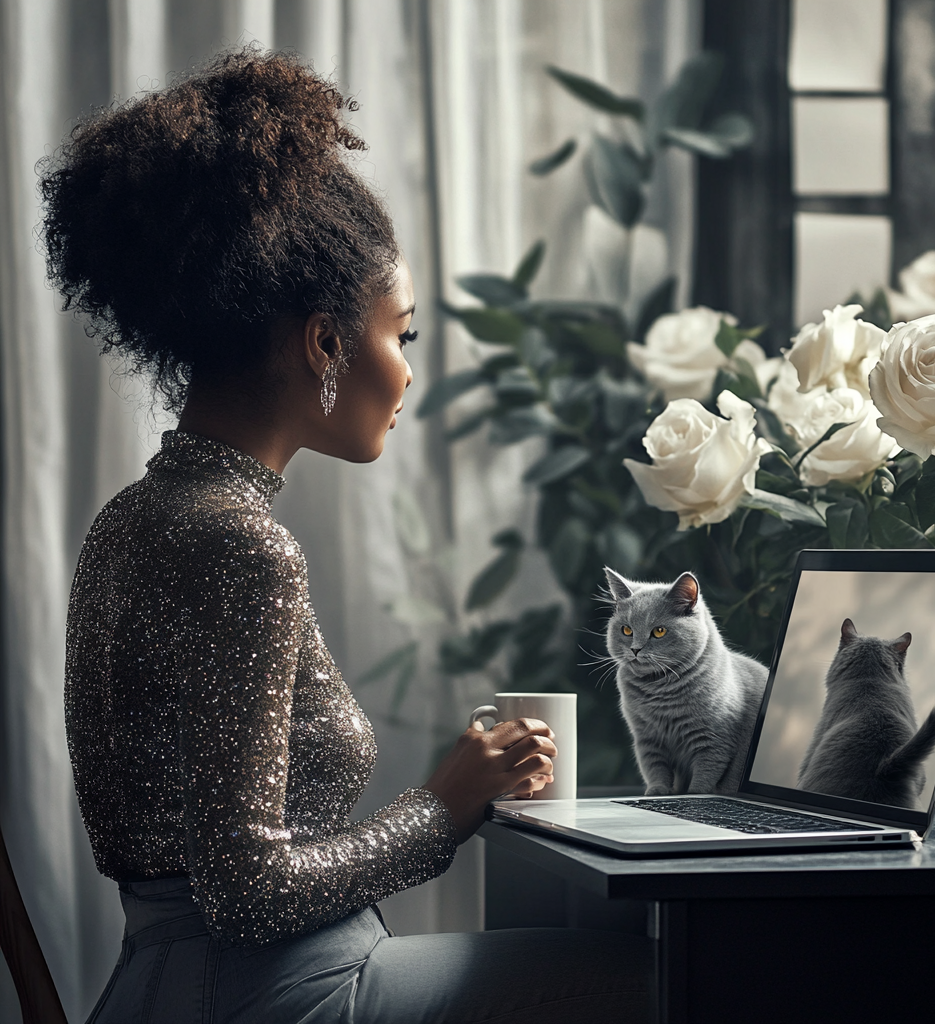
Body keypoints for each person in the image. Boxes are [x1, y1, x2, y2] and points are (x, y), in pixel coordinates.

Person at [42, 48, 652, 1023]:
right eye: (399, 335)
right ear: (325, 343)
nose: (407, 372)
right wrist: (443, 806)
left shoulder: (131, 521)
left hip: (157, 989)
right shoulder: (242, 547)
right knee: (667, 979)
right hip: (274, 995)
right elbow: (247, 892)